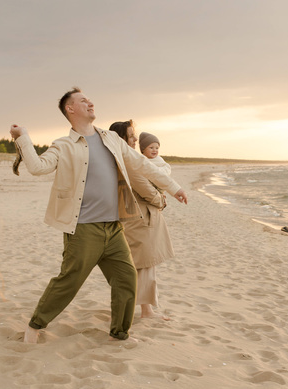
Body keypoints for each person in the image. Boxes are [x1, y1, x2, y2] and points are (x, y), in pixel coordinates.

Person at [10, 87, 187, 343]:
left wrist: (174, 188)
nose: (90, 103)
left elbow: (141, 164)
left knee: (126, 279)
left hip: (114, 227)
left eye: (90, 100)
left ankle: (119, 334)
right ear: (70, 108)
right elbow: (38, 167)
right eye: (83, 101)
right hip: (83, 228)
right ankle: (34, 326)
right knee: (69, 281)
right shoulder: (63, 145)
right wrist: (23, 137)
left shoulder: (111, 138)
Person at [108, 124, 175, 319]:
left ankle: (143, 309)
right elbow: (146, 189)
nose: (135, 140)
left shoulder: (122, 159)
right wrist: (161, 200)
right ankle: (147, 311)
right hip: (142, 218)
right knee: (146, 265)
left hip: (137, 216)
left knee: (143, 264)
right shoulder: (130, 162)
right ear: (121, 139)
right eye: (131, 136)